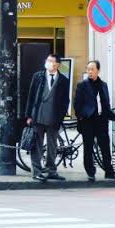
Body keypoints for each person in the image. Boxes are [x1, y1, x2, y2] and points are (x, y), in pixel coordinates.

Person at [24, 54, 70, 182]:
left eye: (51, 61)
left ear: (57, 65)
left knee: (52, 146)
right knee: (36, 145)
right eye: (47, 60)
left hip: (53, 118)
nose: (48, 62)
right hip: (37, 116)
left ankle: (51, 171)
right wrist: (28, 115)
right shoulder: (38, 76)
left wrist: (60, 118)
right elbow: (31, 96)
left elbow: (65, 101)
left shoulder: (63, 80)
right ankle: (37, 172)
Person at [74, 60, 115, 182]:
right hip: (88, 121)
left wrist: (107, 115)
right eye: (88, 69)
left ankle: (109, 172)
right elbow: (77, 104)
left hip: (101, 120)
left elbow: (106, 102)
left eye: (92, 69)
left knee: (105, 147)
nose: (89, 72)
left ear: (98, 71)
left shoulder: (103, 85)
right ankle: (90, 172)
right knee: (88, 147)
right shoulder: (82, 85)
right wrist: (81, 117)